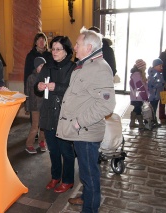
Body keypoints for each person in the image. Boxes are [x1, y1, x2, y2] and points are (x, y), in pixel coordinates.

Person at [56, 27, 116, 212]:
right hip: (81, 132)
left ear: (89, 47)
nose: (74, 47)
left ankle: (90, 208)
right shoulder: (87, 64)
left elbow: (106, 105)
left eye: (78, 44)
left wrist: (79, 122)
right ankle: (85, 198)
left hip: (87, 133)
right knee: (85, 172)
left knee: (90, 176)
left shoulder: (99, 69)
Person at [34, 36, 76, 193]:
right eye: (53, 49)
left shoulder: (73, 68)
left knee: (66, 150)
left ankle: (68, 180)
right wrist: (38, 86)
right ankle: (55, 176)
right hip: (48, 112)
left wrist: (56, 87)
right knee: (53, 149)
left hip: (64, 114)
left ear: (66, 51)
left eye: (59, 49)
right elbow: (36, 88)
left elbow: (75, 91)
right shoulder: (47, 66)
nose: (55, 52)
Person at [24, 57, 46, 154]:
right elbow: (27, 93)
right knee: (35, 126)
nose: (43, 67)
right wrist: (27, 107)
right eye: (41, 65)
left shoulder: (46, 77)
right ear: (36, 66)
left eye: (44, 65)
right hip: (35, 106)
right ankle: (29, 144)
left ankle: (42, 142)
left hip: (44, 105)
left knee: (43, 126)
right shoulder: (31, 78)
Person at [129, 59, 149, 129]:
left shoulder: (136, 74)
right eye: (144, 66)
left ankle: (133, 123)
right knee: (138, 109)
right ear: (141, 67)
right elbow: (140, 87)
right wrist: (145, 97)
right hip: (138, 96)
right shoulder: (137, 75)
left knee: (137, 109)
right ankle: (140, 124)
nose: (145, 68)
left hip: (136, 96)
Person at [148, 58, 166, 126]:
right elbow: (152, 84)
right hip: (154, 95)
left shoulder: (159, 73)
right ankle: (151, 121)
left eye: (162, 66)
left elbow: (161, 80)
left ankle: (154, 121)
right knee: (153, 109)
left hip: (157, 94)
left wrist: (164, 83)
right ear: (155, 66)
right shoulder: (153, 74)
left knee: (154, 109)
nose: (161, 67)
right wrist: (162, 84)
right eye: (160, 66)